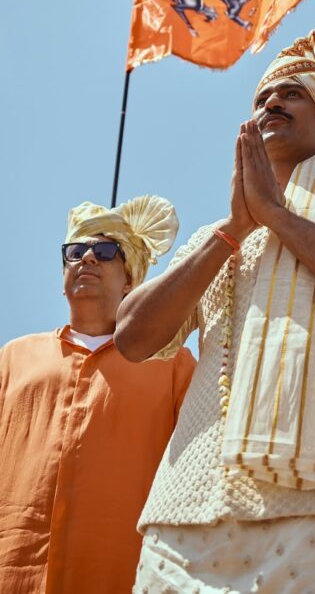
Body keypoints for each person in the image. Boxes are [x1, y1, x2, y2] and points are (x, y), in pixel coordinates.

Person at [115, 21, 315, 593]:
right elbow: (133, 336)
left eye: (290, 93)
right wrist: (236, 228)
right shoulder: (217, 237)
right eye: (262, 97)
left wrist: (278, 217)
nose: (271, 103)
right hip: (190, 505)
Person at [0, 195, 196, 594]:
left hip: (122, 574)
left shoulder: (173, 365)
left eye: (105, 250)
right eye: (75, 251)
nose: (86, 258)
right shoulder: (13, 358)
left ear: (129, 280)